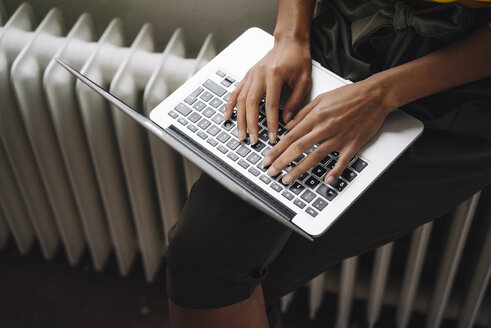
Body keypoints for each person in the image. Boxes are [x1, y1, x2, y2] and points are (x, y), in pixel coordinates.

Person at [165, 0, 491, 327]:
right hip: (348, 30)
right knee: (206, 260)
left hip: (459, 88)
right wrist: (290, 37)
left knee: (255, 277)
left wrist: (382, 95)